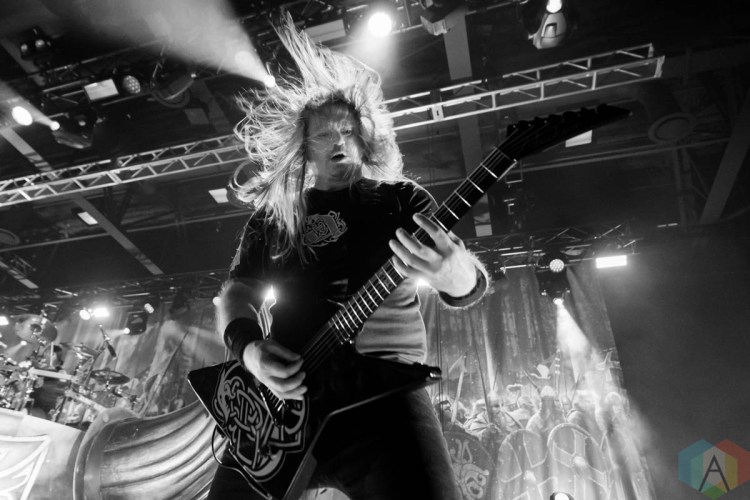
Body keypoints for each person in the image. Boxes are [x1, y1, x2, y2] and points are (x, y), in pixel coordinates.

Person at [208, 15, 489, 500]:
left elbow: (468, 285)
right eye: (323, 135)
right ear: (304, 150)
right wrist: (249, 351)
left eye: (347, 131)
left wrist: (457, 274)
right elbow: (237, 293)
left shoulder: (402, 200)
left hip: (385, 395)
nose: (337, 141)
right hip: (283, 405)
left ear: (364, 138)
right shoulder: (274, 217)